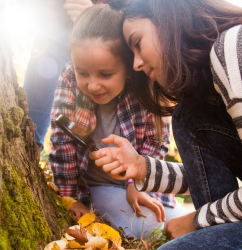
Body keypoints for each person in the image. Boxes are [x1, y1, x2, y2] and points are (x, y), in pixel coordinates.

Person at [90, 0, 242, 248]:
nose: (136, 63)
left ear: (169, 20)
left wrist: (198, 221)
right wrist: (142, 168)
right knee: (190, 115)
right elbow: (224, 173)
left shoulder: (238, 48)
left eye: (138, 43)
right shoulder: (237, 52)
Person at [49, 4, 187, 239]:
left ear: (129, 68)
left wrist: (136, 185)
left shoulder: (144, 89)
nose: (92, 85)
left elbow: (155, 142)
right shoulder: (69, 78)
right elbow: (62, 143)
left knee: (181, 227)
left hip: (138, 182)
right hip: (95, 186)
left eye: (105, 74)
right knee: (148, 230)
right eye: (83, 73)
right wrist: (69, 198)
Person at [22, 0, 108, 150]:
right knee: (29, 128)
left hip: (99, 34)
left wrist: (95, 17)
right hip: (52, 31)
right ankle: (29, 151)